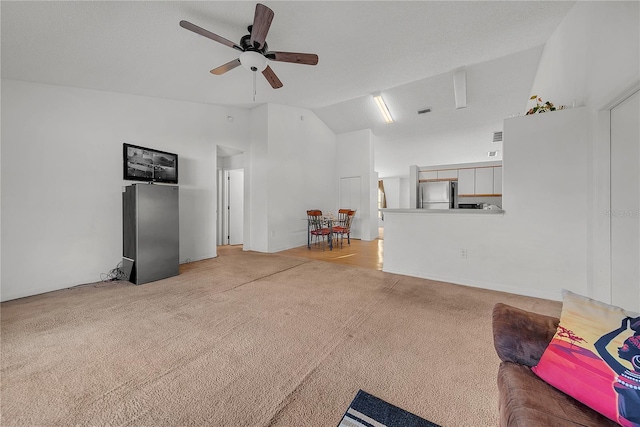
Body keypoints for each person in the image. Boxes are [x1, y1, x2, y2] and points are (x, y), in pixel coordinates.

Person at [595, 317, 640, 426]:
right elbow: (599, 345)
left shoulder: (626, 374)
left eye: (625, 346)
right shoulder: (626, 373)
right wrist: (622, 328)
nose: (620, 348)